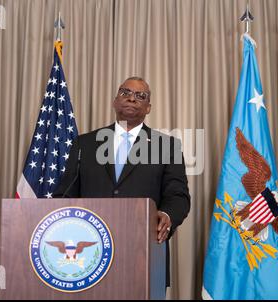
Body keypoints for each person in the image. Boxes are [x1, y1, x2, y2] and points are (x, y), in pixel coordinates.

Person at [53, 76, 191, 287]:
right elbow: (65, 194)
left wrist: (166, 215)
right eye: (125, 93)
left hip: (144, 250)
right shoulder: (85, 143)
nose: (132, 99)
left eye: (140, 96)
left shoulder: (167, 146)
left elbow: (178, 195)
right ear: (115, 101)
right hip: (89, 256)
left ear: (148, 108)